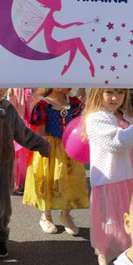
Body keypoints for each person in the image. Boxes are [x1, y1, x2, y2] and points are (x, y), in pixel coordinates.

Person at [84, 88, 133, 265]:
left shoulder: (127, 116)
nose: (115, 98)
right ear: (97, 92)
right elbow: (116, 143)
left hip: (132, 182)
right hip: (111, 184)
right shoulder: (95, 118)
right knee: (113, 229)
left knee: (131, 229)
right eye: (109, 92)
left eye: (120, 93)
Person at [0, 88, 50, 259]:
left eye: (2, 85)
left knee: (4, 206)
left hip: (5, 167)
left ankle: (1, 235)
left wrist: (42, 145)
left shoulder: (9, 109)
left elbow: (22, 133)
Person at [23, 87, 88, 234]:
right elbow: (40, 132)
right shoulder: (43, 105)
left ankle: (66, 215)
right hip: (50, 148)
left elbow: (78, 124)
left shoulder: (74, 103)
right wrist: (44, 147)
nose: (70, 84)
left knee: (70, 180)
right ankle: (46, 216)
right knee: (50, 180)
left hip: (70, 147)